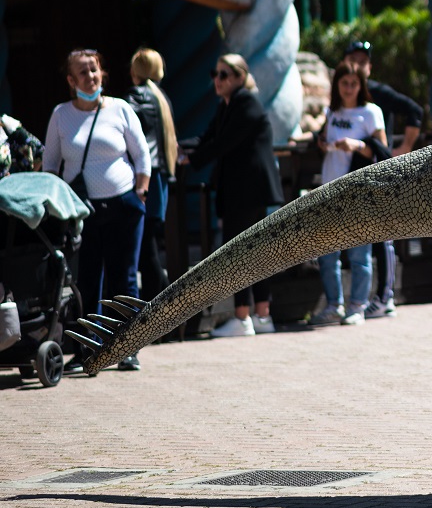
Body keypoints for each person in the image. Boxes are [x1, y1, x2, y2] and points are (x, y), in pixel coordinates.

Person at [43, 49, 150, 370]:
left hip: (124, 205)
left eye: (95, 69)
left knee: (125, 279)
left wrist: (141, 193)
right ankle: (87, 350)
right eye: (83, 71)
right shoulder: (61, 114)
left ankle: (127, 348)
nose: (91, 76)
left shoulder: (120, 109)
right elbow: (50, 165)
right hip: (83, 212)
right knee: (87, 281)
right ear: (71, 80)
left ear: (102, 74)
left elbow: (142, 156)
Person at [184, 54, 284, 338]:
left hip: (248, 191)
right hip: (242, 190)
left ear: (240, 77)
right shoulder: (227, 105)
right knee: (252, 251)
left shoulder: (246, 102)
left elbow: (223, 143)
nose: (217, 80)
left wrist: (192, 160)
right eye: (214, 74)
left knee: (239, 252)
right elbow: (207, 137)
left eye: (224, 75)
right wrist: (181, 148)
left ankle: (244, 318)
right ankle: (261, 315)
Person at [342, 39, 424, 318]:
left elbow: (415, 111)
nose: (359, 64)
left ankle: (385, 296)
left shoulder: (377, 92)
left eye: (364, 60)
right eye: (354, 59)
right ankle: (362, 299)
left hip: (380, 172)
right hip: (351, 175)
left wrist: (402, 151)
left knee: (383, 235)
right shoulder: (343, 95)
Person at [311, 63, 388, 326]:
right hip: (329, 188)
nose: (348, 88)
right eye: (344, 83)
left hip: (357, 191)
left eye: (353, 83)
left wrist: (356, 145)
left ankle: (358, 304)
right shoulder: (332, 112)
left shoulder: (370, 112)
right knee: (327, 253)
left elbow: (381, 150)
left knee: (359, 253)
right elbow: (324, 141)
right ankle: (334, 304)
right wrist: (322, 143)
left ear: (361, 85)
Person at [124, 48, 176, 301]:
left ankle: (166, 308)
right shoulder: (161, 97)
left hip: (147, 179)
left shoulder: (138, 97)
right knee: (151, 246)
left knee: (147, 250)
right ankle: (171, 307)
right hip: (160, 178)